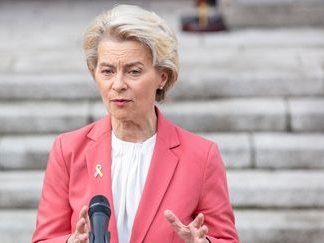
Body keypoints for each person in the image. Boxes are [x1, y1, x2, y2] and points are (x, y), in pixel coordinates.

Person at [32, 4, 239, 243]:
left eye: (133, 72)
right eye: (107, 71)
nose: (118, 84)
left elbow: (225, 238)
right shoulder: (68, 150)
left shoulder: (201, 156)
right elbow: (44, 238)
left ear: (163, 76)